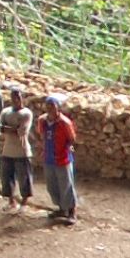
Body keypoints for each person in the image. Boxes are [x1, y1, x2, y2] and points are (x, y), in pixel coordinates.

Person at [37, 95, 78, 223]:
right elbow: (41, 135)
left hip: (62, 158)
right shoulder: (42, 121)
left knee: (66, 184)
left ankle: (71, 211)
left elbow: (72, 139)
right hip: (49, 157)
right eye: (48, 106)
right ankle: (61, 208)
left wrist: (67, 148)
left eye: (53, 106)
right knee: (52, 185)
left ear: (58, 108)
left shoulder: (64, 123)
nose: (50, 109)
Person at [0, 87, 35, 212]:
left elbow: (22, 131)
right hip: (8, 150)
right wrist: (13, 128)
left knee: (24, 178)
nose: (15, 100)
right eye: (13, 97)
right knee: (7, 177)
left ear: (22, 98)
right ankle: (11, 201)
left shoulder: (26, 113)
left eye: (18, 97)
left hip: (22, 151)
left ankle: (24, 203)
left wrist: (8, 128)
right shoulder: (6, 112)